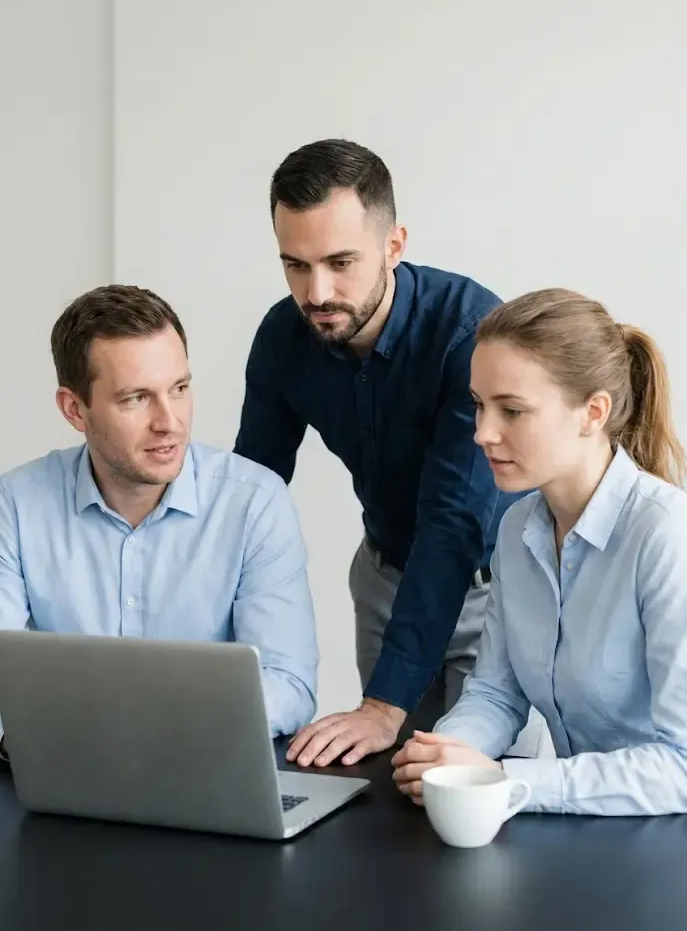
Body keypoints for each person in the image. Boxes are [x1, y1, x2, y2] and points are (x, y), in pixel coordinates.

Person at [234, 137, 541, 768]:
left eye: (340, 262)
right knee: (389, 796)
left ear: (394, 245)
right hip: (383, 577)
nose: (316, 292)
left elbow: (453, 523)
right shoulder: (282, 336)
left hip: (497, 594)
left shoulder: (473, 334)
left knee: (482, 800)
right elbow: (250, 492)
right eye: (295, 264)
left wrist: (382, 704)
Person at [392, 287, 687, 816]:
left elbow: (682, 767)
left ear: (592, 413)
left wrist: (504, 780)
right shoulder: (515, 529)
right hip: (584, 833)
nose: (483, 433)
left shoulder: (665, 536)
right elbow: (495, 693)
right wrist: (447, 755)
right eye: (479, 405)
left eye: (512, 410)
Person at [0, 285, 318, 750]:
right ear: (75, 409)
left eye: (180, 389)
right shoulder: (16, 504)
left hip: (206, 771)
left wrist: (142, 728)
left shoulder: (254, 502)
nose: (169, 421)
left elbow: (288, 685)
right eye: (135, 399)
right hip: (64, 776)